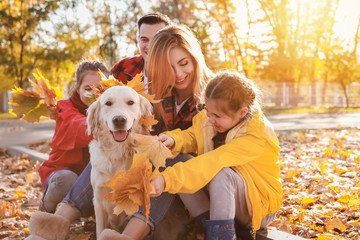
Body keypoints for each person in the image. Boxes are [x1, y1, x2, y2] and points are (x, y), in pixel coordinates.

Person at [26, 15, 213, 240]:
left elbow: (190, 148)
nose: (150, 45)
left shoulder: (182, 87)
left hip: (169, 176)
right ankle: (57, 223)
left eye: (158, 40)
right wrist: (62, 109)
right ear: (138, 40)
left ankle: (127, 233)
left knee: (163, 162)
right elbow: (96, 101)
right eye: (145, 39)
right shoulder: (125, 68)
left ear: (168, 43)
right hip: (127, 162)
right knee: (103, 151)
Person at [150, 70, 283, 240]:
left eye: (217, 116)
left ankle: (221, 237)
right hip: (224, 202)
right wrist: (174, 140)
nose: (210, 119)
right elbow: (193, 135)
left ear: (242, 112)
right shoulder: (211, 118)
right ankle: (211, 228)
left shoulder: (256, 135)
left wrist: (166, 179)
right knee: (179, 161)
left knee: (221, 174)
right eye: (207, 111)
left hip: (258, 206)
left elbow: (213, 161)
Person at [38, 60, 109, 213]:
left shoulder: (110, 111)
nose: (93, 93)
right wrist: (100, 129)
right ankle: (45, 208)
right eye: (87, 88)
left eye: (100, 89)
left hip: (91, 180)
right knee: (66, 181)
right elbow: (77, 125)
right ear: (77, 88)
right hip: (64, 172)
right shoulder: (65, 107)